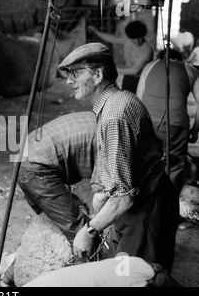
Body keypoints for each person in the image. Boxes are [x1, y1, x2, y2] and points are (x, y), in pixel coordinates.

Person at [58, 42, 179, 273]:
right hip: (144, 201)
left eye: (75, 73)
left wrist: (88, 230)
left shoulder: (115, 115)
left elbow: (124, 198)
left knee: (138, 277)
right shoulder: (117, 101)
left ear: (98, 74)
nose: (69, 81)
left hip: (146, 207)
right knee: (126, 272)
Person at [1, 111, 98, 287]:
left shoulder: (104, 118)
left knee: (53, 222)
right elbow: (104, 195)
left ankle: (7, 279)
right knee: (82, 233)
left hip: (29, 156)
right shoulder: (117, 137)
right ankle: (84, 278)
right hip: (37, 167)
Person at [136, 48, 199, 193]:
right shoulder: (191, 70)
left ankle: (147, 201)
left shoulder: (150, 66)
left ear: (159, 58)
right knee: (174, 164)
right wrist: (195, 130)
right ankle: (168, 204)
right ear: (180, 59)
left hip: (149, 121)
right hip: (177, 123)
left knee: (147, 162)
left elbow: (138, 100)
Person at [88, 20, 153, 92]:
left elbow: (134, 71)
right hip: (127, 77)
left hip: (140, 79)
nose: (137, 42)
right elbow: (113, 38)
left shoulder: (147, 49)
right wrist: (97, 32)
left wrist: (111, 67)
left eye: (139, 38)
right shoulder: (128, 41)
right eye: (133, 39)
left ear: (143, 35)